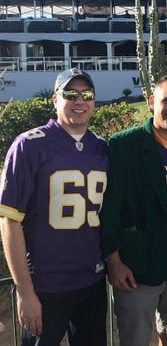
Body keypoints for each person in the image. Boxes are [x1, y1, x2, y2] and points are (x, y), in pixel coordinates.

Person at [0, 67, 108, 346]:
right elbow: (9, 221)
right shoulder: (28, 145)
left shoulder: (102, 148)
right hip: (46, 285)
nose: (79, 101)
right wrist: (24, 291)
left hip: (91, 282)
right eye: (70, 94)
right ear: (54, 99)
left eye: (87, 94)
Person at [100, 74, 167, 346]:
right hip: (138, 270)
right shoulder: (124, 144)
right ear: (151, 102)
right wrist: (114, 262)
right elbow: (109, 209)